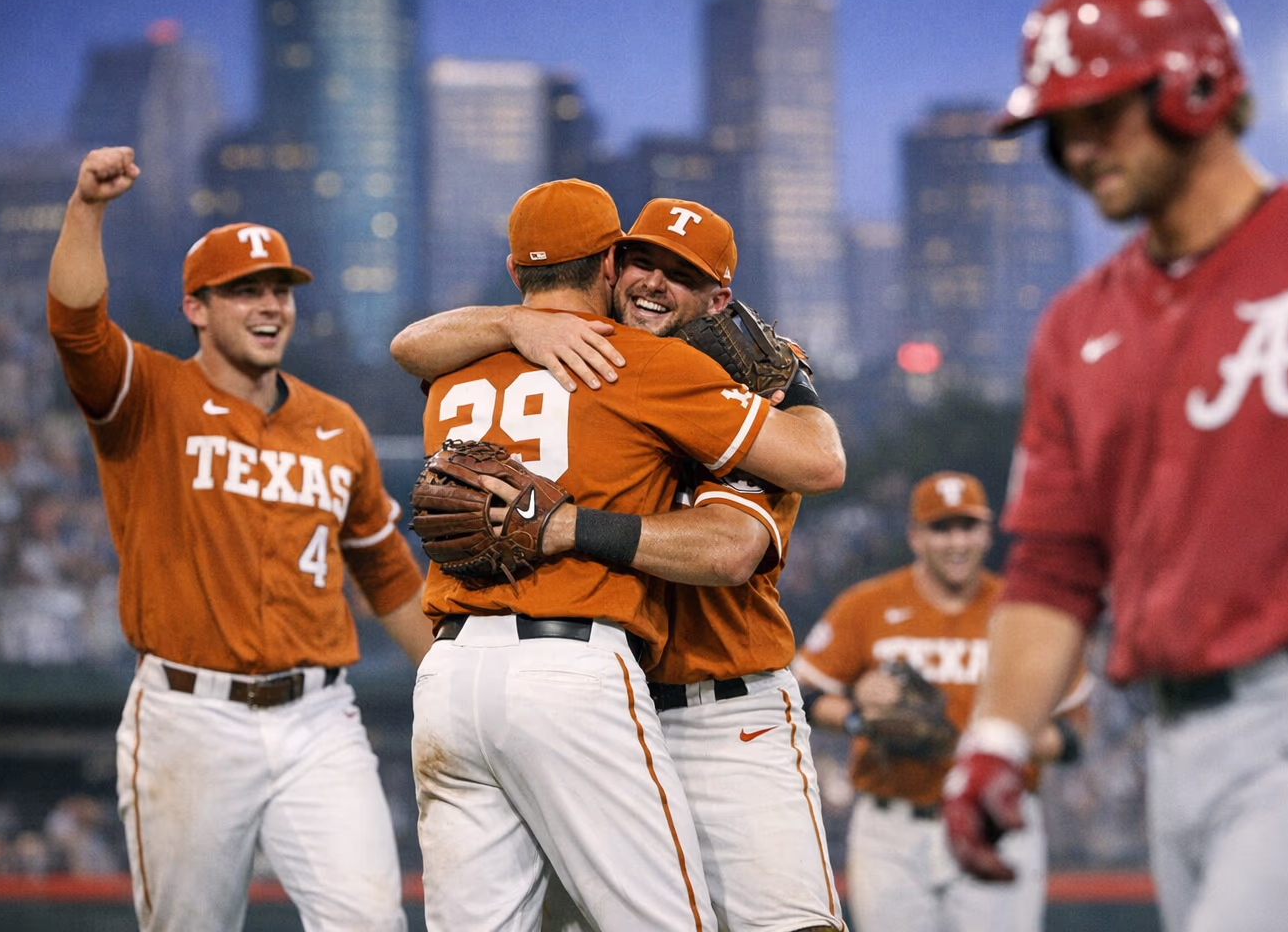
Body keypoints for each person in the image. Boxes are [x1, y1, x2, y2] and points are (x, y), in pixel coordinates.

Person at [940, 0, 1288, 932]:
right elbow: (1055, 568)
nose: (1076, 149)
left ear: (1195, 88)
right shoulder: (1077, 325)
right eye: (1058, 127)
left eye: (1099, 113)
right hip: (1178, 748)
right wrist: (996, 739)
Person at [394, 196, 845, 932]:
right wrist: (514, 323)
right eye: (643, 261)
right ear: (610, 264)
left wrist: (569, 526)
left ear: (719, 301)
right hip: (589, 694)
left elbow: (734, 545)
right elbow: (412, 342)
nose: (654, 283)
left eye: (681, 274)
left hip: (719, 709)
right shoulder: (628, 363)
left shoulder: (743, 395)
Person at [46, 146, 433, 932]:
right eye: (244, 290)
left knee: (371, 921)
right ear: (196, 308)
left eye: (279, 290)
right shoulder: (149, 395)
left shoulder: (336, 426)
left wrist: (457, 683)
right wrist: (86, 209)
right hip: (191, 717)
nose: (270, 306)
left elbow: (389, 577)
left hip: (319, 716)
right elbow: (78, 329)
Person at [794, 471, 1086, 932]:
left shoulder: (1020, 613)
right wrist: (857, 712)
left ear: (988, 533)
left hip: (996, 820)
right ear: (915, 536)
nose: (957, 542)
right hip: (891, 829)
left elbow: (1073, 732)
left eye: (967, 527)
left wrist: (994, 741)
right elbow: (801, 693)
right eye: (941, 528)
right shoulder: (867, 605)